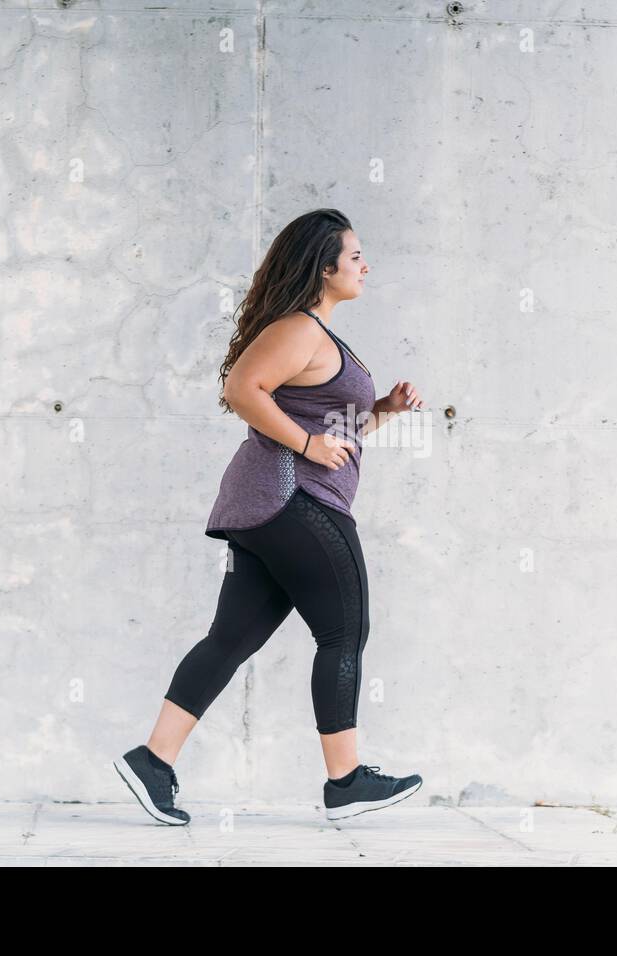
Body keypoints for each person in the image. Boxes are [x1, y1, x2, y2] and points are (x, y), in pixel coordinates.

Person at [114, 208, 426, 823]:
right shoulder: (301, 328)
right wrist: (309, 448)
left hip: (267, 503)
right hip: (293, 501)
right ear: (324, 266)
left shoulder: (317, 335)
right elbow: (242, 389)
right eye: (355, 255)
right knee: (344, 630)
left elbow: (329, 426)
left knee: (231, 638)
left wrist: (383, 410)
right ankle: (345, 782)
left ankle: (154, 759)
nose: (366, 265)